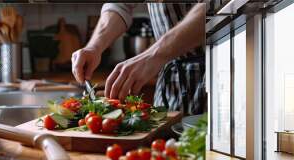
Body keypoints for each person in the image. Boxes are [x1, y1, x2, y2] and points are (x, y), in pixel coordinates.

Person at [71, 3, 206, 115]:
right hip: (169, 86)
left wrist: (154, 54)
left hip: (215, 78)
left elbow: (216, 6)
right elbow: (120, 4)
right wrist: (94, 47)